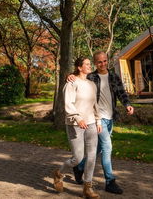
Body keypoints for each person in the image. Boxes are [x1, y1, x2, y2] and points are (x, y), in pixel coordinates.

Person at [68, 51, 134, 195]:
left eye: (104, 61)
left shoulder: (113, 76)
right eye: (99, 62)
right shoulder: (91, 77)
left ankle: (80, 167)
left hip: (110, 118)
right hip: (97, 118)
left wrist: (127, 104)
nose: (102, 64)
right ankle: (110, 181)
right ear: (95, 63)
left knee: (98, 150)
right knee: (107, 147)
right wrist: (70, 76)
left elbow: (121, 92)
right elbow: (78, 78)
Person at [54, 57, 102, 199]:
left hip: (91, 123)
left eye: (89, 64)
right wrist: (78, 117)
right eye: (86, 64)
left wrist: (98, 120)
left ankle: (87, 188)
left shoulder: (92, 84)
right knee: (78, 158)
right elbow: (68, 103)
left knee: (92, 156)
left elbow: (95, 104)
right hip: (75, 124)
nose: (89, 66)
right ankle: (59, 173)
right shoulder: (71, 82)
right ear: (79, 67)